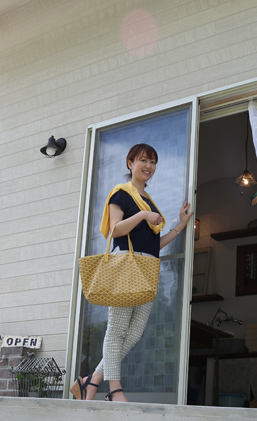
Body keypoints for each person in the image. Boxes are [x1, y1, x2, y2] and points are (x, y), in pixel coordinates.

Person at [71, 142, 193, 402]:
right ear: (130, 163)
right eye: (143, 160)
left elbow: (154, 244)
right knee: (116, 331)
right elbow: (115, 230)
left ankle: (90, 382)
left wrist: (180, 225)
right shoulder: (122, 194)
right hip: (126, 267)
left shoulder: (149, 202)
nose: (148, 166)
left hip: (147, 268)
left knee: (134, 334)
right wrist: (142, 216)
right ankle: (114, 390)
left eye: (153, 162)